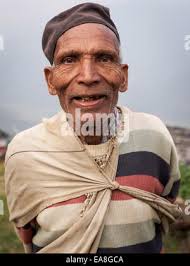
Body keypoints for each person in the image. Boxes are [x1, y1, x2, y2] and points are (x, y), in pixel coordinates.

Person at [4, 2, 182, 253]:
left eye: (104, 58)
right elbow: (27, 235)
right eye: (69, 59)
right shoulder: (24, 153)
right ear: (50, 80)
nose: (88, 76)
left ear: (123, 76)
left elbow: (164, 210)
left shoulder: (154, 136)